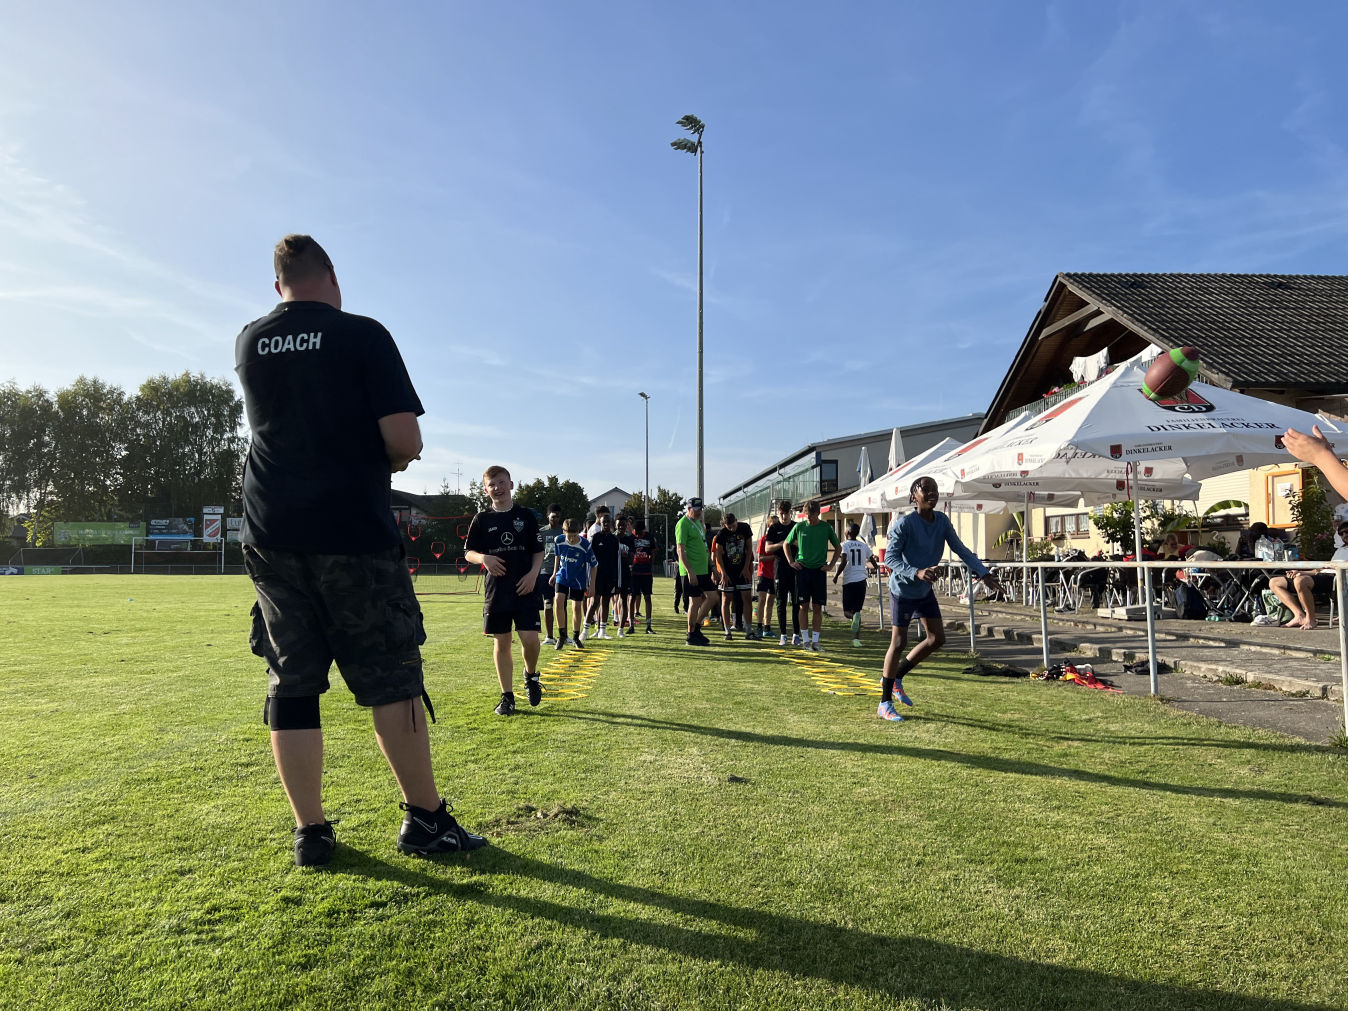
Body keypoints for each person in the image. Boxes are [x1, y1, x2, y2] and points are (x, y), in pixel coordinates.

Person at [236, 233, 484, 865]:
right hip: (348, 528)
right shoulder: (363, 334)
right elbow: (403, 438)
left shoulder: (251, 341)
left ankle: (311, 833)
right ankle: (425, 819)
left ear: (277, 286)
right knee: (391, 674)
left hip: (269, 528)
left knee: (291, 680)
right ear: (334, 277)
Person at [880, 475, 1001, 722]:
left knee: (936, 639)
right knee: (899, 642)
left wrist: (984, 573)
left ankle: (898, 678)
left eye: (935, 489)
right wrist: (917, 571)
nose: (932, 493)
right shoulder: (905, 524)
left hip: (924, 591)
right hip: (903, 589)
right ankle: (884, 703)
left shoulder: (942, 522)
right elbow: (889, 559)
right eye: (926, 489)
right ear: (914, 495)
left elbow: (962, 550)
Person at [463, 465, 545, 717]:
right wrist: (484, 558)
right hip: (497, 591)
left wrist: (532, 575)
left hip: (525, 588)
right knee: (503, 642)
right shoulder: (481, 519)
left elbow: (538, 551)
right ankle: (507, 697)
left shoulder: (527, 516)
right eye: (491, 484)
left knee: (530, 640)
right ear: (486, 490)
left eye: (501, 482)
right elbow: (468, 553)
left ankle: (531, 676)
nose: (497, 488)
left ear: (511, 484)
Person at [783, 500, 841, 652]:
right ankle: (805, 641)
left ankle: (816, 641)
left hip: (819, 571)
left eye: (812, 516)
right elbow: (786, 544)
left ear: (818, 513)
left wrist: (831, 565)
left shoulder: (826, 527)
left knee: (817, 607)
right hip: (802, 570)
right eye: (807, 516)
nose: (809, 518)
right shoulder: (799, 526)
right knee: (803, 606)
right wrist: (791, 562)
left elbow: (838, 547)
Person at [1267, 520, 1348, 629]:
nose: (1344, 535)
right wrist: (1300, 572)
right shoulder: (1340, 550)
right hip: (1324, 575)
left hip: (1337, 578)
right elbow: (1321, 569)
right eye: (1341, 534)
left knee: (1300, 581)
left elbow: (1335, 569)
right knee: (1275, 582)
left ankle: (1311, 619)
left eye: (1347, 532)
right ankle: (1299, 615)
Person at [675, 498, 719, 646]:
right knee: (695, 601)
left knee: (713, 597)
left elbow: (705, 548)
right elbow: (680, 550)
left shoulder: (699, 523)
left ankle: (696, 628)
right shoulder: (682, 524)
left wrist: (712, 566)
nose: (699, 511)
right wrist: (690, 571)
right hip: (692, 570)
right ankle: (691, 634)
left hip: (703, 569)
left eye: (700, 508)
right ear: (689, 508)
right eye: (696, 508)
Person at [551, 518, 596, 649]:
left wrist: (592, 585)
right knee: (558, 600)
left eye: (574, 536)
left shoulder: (585, 545)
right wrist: (554, 573)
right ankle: (562, 635)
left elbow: (594, 565)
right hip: (562, 575)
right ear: (563, 532)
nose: (571, 539)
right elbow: (557, 556)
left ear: (578, 533)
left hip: (578, 579)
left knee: (576, 607)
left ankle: (576, 637)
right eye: (569, 536)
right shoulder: (558, 540)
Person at [764, 500, 801, 646]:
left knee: (797, 603)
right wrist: (783, 543)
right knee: (781, 603)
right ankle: (783, 635)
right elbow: (767, 548)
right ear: (778, 513)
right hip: (780, 569)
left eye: (786, 513)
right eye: (781, 514)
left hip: (795, 569)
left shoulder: (796, 526)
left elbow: (801, 544)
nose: (784, 516)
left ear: (791, 512)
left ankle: (796, 635)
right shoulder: (774, 528)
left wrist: (792, 543)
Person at [833, 522, 877, 647]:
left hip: (849, 580)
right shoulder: (864, 546)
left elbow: (844, 561)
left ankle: (854, 617)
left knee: (847, 612)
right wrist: (876, 568)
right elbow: (872, 561)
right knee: (857, 610)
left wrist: (836, 576)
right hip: (862, 580)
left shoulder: (844, 545)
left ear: (847, 532)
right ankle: (856, 640)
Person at [713, 512, 753, 640]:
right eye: (729, 527)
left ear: (737, 520)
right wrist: (723, 574)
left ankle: (749, 630)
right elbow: (718, 556)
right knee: (726, 599)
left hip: (742, 569)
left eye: (734, 526)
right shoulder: (721, 535)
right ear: (725, 525)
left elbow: (749, 549)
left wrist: (746, 568)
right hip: (728, 571)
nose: (732, 529)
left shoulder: (745, 528)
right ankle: (727, 631)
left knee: (746, 598)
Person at [588, 513, 620, 640]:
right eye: (603, 522)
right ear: (600, 523)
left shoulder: (614, 540)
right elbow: (591, 560)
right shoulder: (596, 538)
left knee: (606, 602)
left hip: (609, 577)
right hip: (597, 576)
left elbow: (616, 561)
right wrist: (590, 578)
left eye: (608, 522)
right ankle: (585, 630)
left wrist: (616, 580)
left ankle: (602, 630)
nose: (606, 524)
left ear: (611, 524)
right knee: (594, 603)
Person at [538, 504, 565, 645]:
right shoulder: (541, 532)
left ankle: (563, 636)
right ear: (548, 516)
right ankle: (549, 636)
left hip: (562, 572)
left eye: (558, 517)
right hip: (545, 572)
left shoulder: (564, 532)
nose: (556, 519)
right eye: (553, 517)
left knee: (561, 604)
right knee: (548, 603)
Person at [631, 521, 656, 634]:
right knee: (632, 597)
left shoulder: (649, 537)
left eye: (639, 533)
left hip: (646, 572)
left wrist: (651, 560)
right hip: (634, 572)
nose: (637, 535)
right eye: (636, 533)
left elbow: (654, 550)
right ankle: (631, 625)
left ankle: (649, 625)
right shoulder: (631, 537)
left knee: (647, 597)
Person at [752, 524, 776, 641]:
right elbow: (760, 557)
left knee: (770, 601)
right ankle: (759, 627)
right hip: (763, 574)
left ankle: (767, 627)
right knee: (761, 600)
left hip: (774, 575)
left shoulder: (779, 540)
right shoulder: (763, 540)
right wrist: (774, 556)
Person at [616, 515, 637, 636]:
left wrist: (626, 556)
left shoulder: (630, 540)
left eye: (623, 524)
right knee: (604, 599)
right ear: (616, 525)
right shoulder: (612, 539)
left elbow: (632, 559)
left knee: (624, 600)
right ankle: (600, 629)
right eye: (619, 524)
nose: (621, 527)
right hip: (612, 573)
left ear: (626, 526)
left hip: (625, 573)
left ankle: (621, 629)